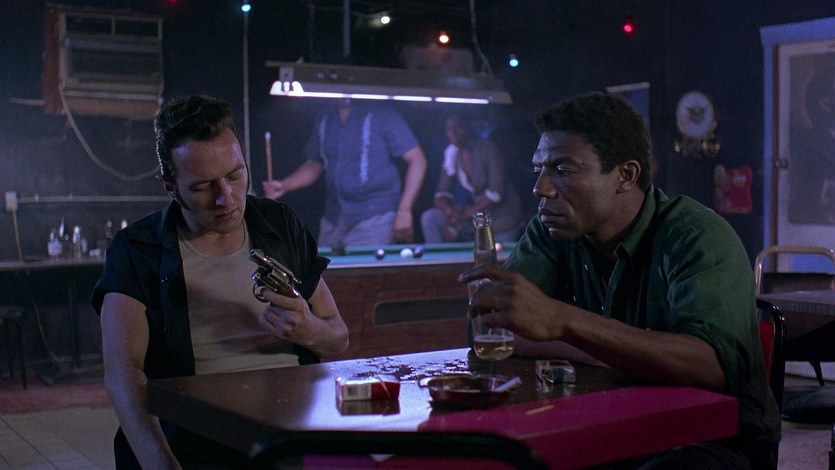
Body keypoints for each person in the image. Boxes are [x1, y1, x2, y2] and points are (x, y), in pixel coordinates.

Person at [461, 92, 781, 469]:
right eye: (539, 170)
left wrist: (562, 322)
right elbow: (491, 328)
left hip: (714, 440)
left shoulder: (696, 236)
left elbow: (711, 367)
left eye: (562, 169)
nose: (541, 188)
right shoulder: (550, 232)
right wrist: (611, 352)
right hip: (611, 424)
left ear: (625, 176)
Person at [92, 95, 349, 469]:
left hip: (291, 433)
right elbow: (123, 374)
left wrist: (308, 329)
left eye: (234, 176)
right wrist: (161, 464)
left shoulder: (279, 224)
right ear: (169, 187)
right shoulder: (137, 250)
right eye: (202, 186)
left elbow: (338, 339)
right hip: (198, 439)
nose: (225, 198)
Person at [262, 99, 427, 247]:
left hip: (375, 216)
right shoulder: (326, 116)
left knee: (361, 271)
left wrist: (404, 211)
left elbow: (417, 160)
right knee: (323, 270)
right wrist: (284, 185)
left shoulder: (382, 113)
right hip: (334, 216)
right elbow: (314, 165)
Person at [420, 114, 523, 244]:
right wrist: (448, 213)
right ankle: (436, 258)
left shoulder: (487, 147)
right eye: (449, 129)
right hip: (475, 217)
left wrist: (466, 214)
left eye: (458, 127)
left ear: (468, 127)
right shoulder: (451, 153)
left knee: (494, 254)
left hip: (502, 219)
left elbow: (497, 192)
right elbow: (441, 192)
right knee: (430, 217)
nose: (453, 133)